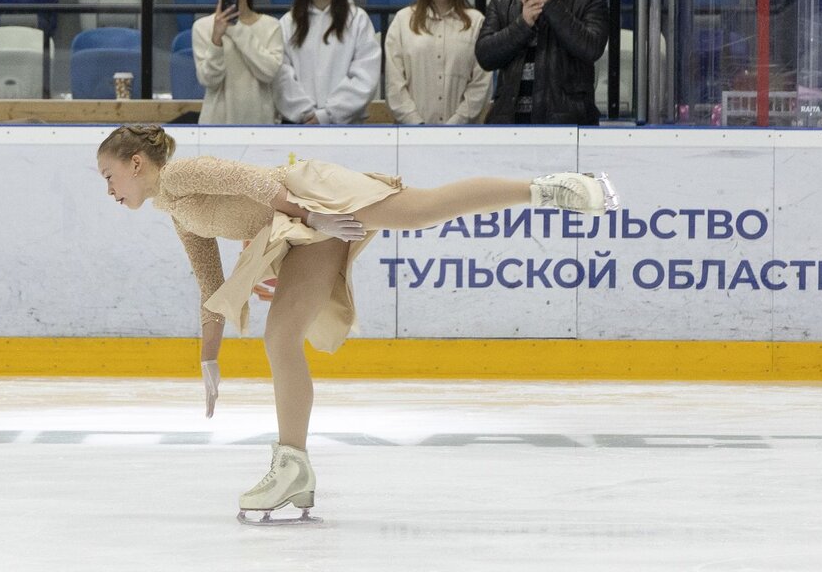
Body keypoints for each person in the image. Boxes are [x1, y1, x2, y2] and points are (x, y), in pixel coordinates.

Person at [95, 124, 620, 524]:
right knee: (281, 338)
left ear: (137, 163)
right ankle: (293, 467)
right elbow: (209, 285)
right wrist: (209, 357)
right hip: (303, 225)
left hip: (308, 198)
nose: (110, 191)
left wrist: (315, 215)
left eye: (109, 177)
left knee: (421, 209)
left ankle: (554, 189)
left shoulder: (181, 176)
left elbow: (251, 180)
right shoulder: (176, 211)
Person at [474, 0, 610, 125]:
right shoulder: (502, 0)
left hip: (567, 125)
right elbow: (485, 56)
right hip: (510, 124)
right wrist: (523, 24)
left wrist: (551, 4)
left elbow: (591, 48)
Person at [274, 0, 381, 125]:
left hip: (347, 126)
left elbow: (365, 76)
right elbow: (281, 74)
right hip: (300, 126)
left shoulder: (357, 20)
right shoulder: (288, 22)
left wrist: (327, 115)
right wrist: (306, 113)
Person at [384, 0, 492, 125]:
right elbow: (394, 84)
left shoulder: (476, 22)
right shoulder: (402, 21)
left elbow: (481, 83)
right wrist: (417, 125)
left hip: (462, 136)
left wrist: (454, 126)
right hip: (411, 136)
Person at [191, 0, 283, 125]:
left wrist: (236, 29)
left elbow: (268, 72)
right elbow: (208, 80)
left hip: (260, 125)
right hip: (216, 125)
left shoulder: (271, 26)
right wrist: (216, 39)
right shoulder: (202, 27)